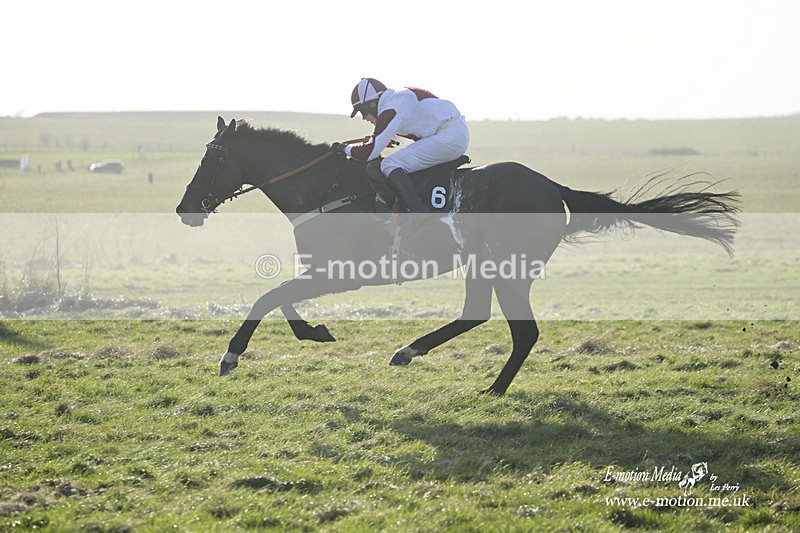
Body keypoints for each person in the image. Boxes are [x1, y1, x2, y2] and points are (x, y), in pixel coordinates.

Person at [331, 78, 469, 213]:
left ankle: (418, 211)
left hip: (449, 137)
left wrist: (343, 149)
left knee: (389, 164)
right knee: (393, 162)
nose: (364, 118)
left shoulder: (391, 110)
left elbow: (368, 153)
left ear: (372, 104)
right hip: (451, 134)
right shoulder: (396, 99)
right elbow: (398, 139)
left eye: (362, 111)